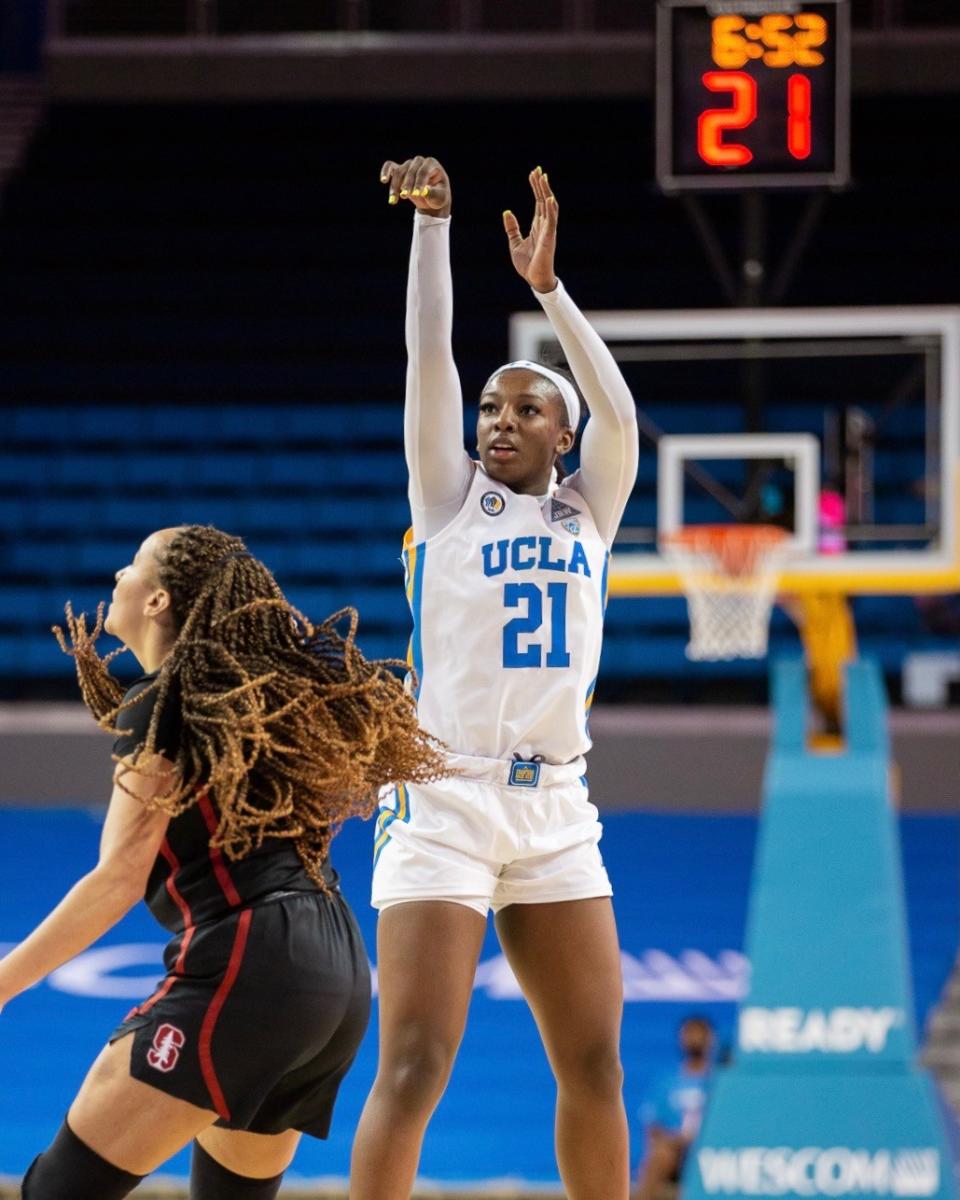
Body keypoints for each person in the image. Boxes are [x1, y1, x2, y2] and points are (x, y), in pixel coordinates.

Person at [349, 158, 639, 1200]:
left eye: (524, 410)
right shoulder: (447, 501)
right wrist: (435, 230)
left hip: (557, 802)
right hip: (444, 796)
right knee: (416, 1064)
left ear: (564, 438)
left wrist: (549, 292)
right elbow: (429, 349)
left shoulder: (589, 515)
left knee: (597, 1064)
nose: (498, 420)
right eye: (490, 407)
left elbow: (622, 411)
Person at [0, 524, 446, 1200]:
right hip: (334, 976)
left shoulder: (163, 702)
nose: (117, 576)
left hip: (251, 964)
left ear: (157, 602)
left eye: (131, 566)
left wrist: (5, 981)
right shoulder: (249, 703)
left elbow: (115, 881)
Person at [636, 1016, 716, 1200]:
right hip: (676, 1152)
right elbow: (653, 1127)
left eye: (699, 1032)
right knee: (660, 1155)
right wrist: (679, 1141)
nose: (694, 1038)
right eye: (689, 1033)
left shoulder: (720, 1081)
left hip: (709, 1148)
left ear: (711, 1038)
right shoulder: (667, 1082)